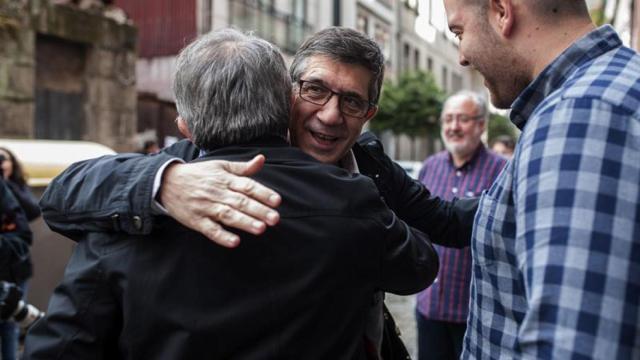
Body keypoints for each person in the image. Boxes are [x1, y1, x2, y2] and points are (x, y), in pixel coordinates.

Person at [38, 27, 476, 358]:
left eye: (352, 102)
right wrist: (164, 183)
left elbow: (441, 228)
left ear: (368, 114)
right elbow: (61, 195)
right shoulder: (184, 161)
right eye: (315, 90)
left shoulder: (372, 172)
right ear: (286, 93)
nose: (330, 115)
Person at [443, 0, 639, 358]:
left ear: (502, 11)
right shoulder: (610, 89)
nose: (462, 57)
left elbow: (573, 347)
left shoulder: (578, 114)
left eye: (459, 32)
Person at [415, 91, 506, 360]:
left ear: (481, 124)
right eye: (448, 119)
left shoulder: (502, 171)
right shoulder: (429, 167)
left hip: (476, 314)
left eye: (462, 119)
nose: (453, 127)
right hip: (429, 308)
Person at [0, 147, 38, 360]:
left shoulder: (13, 186)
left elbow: (31, 213)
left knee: (10, 326)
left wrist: (5, 182)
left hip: (15, 268)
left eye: (4, 158)